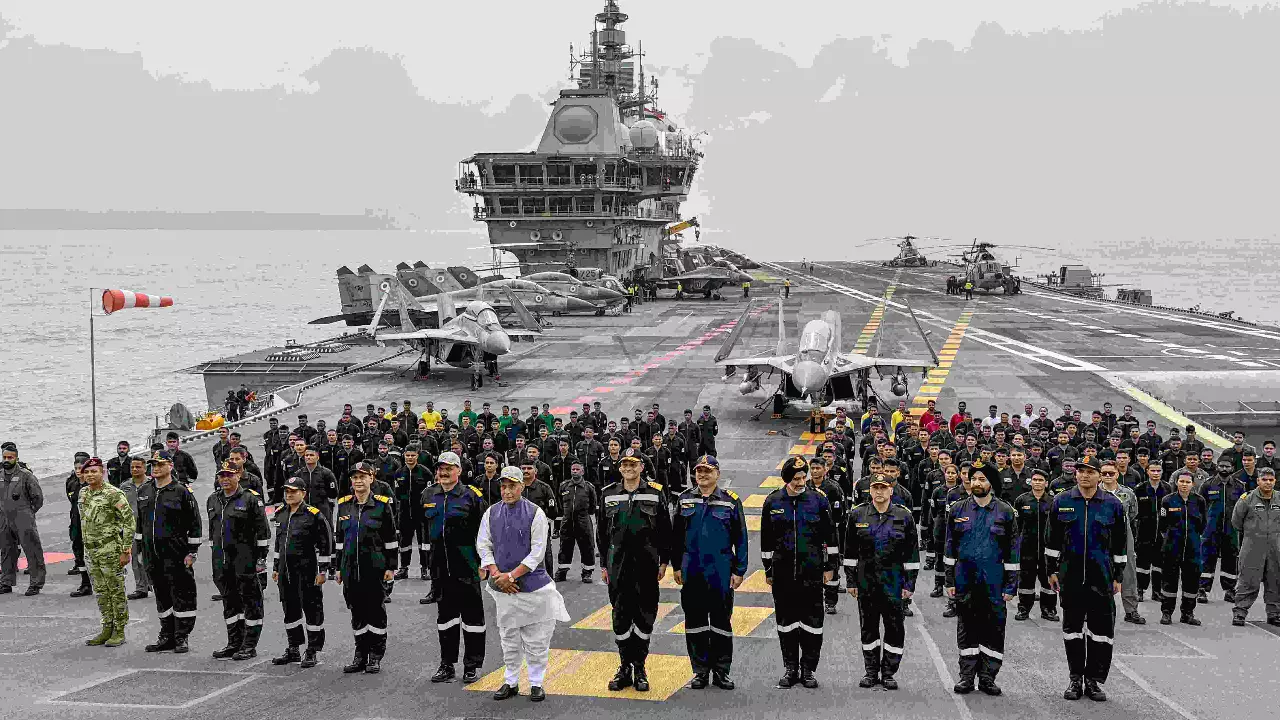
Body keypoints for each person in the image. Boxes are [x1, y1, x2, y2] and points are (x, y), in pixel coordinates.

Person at [479, 466, 571, 702]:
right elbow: (484, 545)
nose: (507, 491)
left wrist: (511, 576)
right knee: (508, 637)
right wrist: (498, 574)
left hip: (533, 588)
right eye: (503, 486)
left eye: (512, 486)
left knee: (536, 638)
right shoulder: (491, 513)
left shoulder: (535, 513)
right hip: (503, 587)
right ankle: (510, 681)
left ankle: (537, 682)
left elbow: (537, 552)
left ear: (522, 487)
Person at [1046, 456, 1128, 702]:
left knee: (1101, 632)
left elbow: (1120, 544)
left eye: (1090, 472)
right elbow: (1051, 541)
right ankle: (1075, 679)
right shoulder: (1061, 501)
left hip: (1101, 576)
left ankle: (1094, 680)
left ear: (1099, 476)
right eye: (1081, 471)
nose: (1084, 475)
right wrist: (1051, 570)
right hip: (1070, 577)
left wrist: (1118, 576)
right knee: (1072, 630)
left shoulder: (1113, 505)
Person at [597, 449, 673, 693]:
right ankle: (624, 667)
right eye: (624, 465)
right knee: (620, 616)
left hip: (646, 563)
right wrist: (603, 565)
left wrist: (664, 562)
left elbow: (665, 529)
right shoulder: (607, 494)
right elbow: (601, 533)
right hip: (617, 564)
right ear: (620, 469)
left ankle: (639, 667)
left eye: (633, 464)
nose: (628, 468)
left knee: (644, 615)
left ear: (642, 467)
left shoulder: (655, 493)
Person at [672, 455, 748, 690]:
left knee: (721, 622)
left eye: (708, 471)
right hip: (692, 570)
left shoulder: (730, 501)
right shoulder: (684, 500)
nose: (703, 475)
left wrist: (739, 570)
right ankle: (700, 671)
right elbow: (676, 538)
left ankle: (722, 671)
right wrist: (676, 566)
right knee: (694, 622)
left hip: (721, 571)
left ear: (717, 474)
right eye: (699, 471)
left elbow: (741, 538)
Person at [761, 457, 837, 689]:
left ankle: (808, 670)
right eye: (796, 479)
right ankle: (790, 667)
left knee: (813, 623)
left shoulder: (818, 501)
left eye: (803, 477)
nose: (801, 482)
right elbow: (766, 542)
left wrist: (830, 567)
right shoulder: (772, 501)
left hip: (811, 573)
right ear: (786, 479)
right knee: (786, 623)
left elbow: (830, 537)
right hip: (783, 574)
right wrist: (768, 570)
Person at [943, 462, 1018, 696]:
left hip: (994, 582)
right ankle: (966, 676)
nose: (976, 483)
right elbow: (949, 548)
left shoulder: (1005, 512)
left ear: (991, 484)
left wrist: (1011, 584)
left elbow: (1012, 551)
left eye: (982, 479)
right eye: (974, 479)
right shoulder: (957, 510)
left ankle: (987, 677)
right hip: (965, 579)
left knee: (994, 628)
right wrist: (949, 581)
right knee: (967, 627)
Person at [843, 474, 920, 690]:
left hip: (893, 583)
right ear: (870, 491)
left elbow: (912, 555)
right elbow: (849, 552)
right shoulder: (857, 514)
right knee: (868, 628)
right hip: (866, 582)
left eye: (883, 488)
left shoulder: (903, 516)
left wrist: (909, 585)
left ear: (891, 491)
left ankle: (888, 673)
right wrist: (851, 581)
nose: (879, 492)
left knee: (894, 628)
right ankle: (870, 671)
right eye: (875, 488)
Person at [422, 451, 488, 684]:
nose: (444, 472)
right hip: (440, 568)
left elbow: (485, 533)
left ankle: (472, 665)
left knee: (472, 619)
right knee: (446, 619)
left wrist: (484, 564)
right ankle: (446, 664)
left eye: (449, 467)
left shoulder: (472, 496)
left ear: (459, 471)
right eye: (440, 468)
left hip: (467, 566)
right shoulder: (428, 495)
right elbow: (424, 531)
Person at [335, 462, 399, 673]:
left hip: (375, 567)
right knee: (357, 613)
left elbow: (391, 539)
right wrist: (338, 567)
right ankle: (360, 654)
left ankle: (375, 656)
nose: (358, 481)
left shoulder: (381, 505)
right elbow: (340, 541)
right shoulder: (344, 505)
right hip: (350, 569)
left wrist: (391, 566)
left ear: (372, 479)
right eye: (355, 477)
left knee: (375, 613)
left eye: (363, 477)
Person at [141, 450, 203, 654]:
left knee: (182, 593)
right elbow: (140, 525)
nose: (156, 468)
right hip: (153, 553)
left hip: (176, 552)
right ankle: (166, 634)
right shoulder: (145, 490)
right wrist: (141, 551)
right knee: (161, 594)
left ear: (170, 466)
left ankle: (181, 636)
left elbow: (195, 523)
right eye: (153, 465)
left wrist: (192, 551)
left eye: (160, 464)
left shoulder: (181, 491)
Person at [208, 462, 271, 660]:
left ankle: (249, 645)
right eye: (222, 475)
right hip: (222, 561)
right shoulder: (213, 500)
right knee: (230, 604)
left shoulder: (250, 499)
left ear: (238, 475)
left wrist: (260, 559)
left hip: (245, 560)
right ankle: (234, 643)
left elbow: (263, 532)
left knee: (251, 602)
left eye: (229, 475)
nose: (225, 479)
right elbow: (212, 532)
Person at [272, 476, 332, 668]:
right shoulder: (280, 513)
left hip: (307, 570)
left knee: (312, 609)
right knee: (290, 611)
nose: (289, 495)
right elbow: (278, 543)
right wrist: (275, 567)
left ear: (303, 493)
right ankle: (293, 648)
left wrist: (323, 570)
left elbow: (325, 544)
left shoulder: (313, 515)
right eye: (287, 491)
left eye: (293, 491)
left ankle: (312, 650)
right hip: (285, 571)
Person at [77, 457, 135, 648]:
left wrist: (126, 549)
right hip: (91, 550)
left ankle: (119, 630)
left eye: (94, 471)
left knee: (115, 590)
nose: (90, 475)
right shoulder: (83, 493)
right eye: (87, 472)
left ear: (102, 472)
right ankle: (106, 627)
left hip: (109, 548)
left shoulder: (113, 493)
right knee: (101, 591)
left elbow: (129, 522)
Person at [1231, 467, 1280, 625]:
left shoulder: (1279, 498)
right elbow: (1236, 521)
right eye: (1264, 480)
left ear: (1275, 481)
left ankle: (1274, 614)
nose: (1267, 483)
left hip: (1276, 547)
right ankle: (1240, 612)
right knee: (1248, 580)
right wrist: (1252, 533)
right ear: (1258, 481)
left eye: (1271, 480)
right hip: (1252, 545)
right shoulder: (1247, 498)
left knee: (1275, 580)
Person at [1158, 469, 1206, 626]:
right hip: (1172, 547)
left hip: (1192, 548)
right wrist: (1171, 539)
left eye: (1187, 482)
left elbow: (1203, 524)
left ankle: (1188, 613)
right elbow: (1163, 525)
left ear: (1193, 484)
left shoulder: (1199, 501)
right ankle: (1167, 612)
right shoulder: (1167, 500)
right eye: (1182, 481)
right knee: (1169, 581)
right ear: (1176, 482)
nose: (1184, 485)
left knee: (1191, 582)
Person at [0, 442, 46, 596]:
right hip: (4, 518)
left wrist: (29, 512)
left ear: (16, 458)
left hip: (23, 517)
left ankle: (36, 583)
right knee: (7, 551)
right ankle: (6, 582)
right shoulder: (0, 474)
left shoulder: (26, 475)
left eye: (10, 457)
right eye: (5, 457)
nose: (7, 460)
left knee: (32, 550)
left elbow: (38, 498)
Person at [1198, 463, 1246, 603]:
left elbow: (1243, 508)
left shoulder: (1239, 486)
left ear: (1232, 468)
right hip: (1211, 528)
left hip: (1231, 529)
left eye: (1227, 466)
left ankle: (1229, 590)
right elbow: (1200, 507)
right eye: (1222, 466)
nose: (1224, 469)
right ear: (1217, 467)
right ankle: (1202, 589)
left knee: (1231, 559)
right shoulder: (1208, 485)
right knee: (1207, 558)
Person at [1013, 469, 1057, 621]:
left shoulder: (1053, 501)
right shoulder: (1021, 500)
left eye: (1041, 480)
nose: (1037, 483)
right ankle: (1024, 608)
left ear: (1046, 483)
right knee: (1026, 580)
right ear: (1030, 482)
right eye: (1035, 480)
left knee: (1048, 580)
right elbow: (1015, 526)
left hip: (1048, 549)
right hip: (1027, 547)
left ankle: (1049, 609)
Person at [555, 460, 598, 583]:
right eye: (573, 469)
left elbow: (593, 506)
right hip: (567, 521)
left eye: (577, 469)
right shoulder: (564, 485)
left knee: (587, 547)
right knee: (565, 547)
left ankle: (587, 572)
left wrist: (583, 515)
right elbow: (559, 501)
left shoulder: (589, 487)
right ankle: (562, 571)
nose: (574, 471)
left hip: (583, 520)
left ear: (582, 472)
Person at [120, 456, 153, 600]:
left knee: (153, 556)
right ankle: (141, 587)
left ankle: (156, 584)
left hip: (150, 526)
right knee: (135, 557)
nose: (134, 469)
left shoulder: (153, 484)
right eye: (132, 467)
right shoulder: (125, 486)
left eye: (138, 467)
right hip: (132, 527)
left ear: (145, 468)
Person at [66, 452, 93, 597]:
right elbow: (72, 502)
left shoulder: (92, 485)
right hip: (76, 523)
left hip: (91, 525)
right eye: (75, 468)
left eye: (80, 468)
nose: (78, 471)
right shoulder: (71, 483)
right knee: (79, 553)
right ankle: (85, 584)